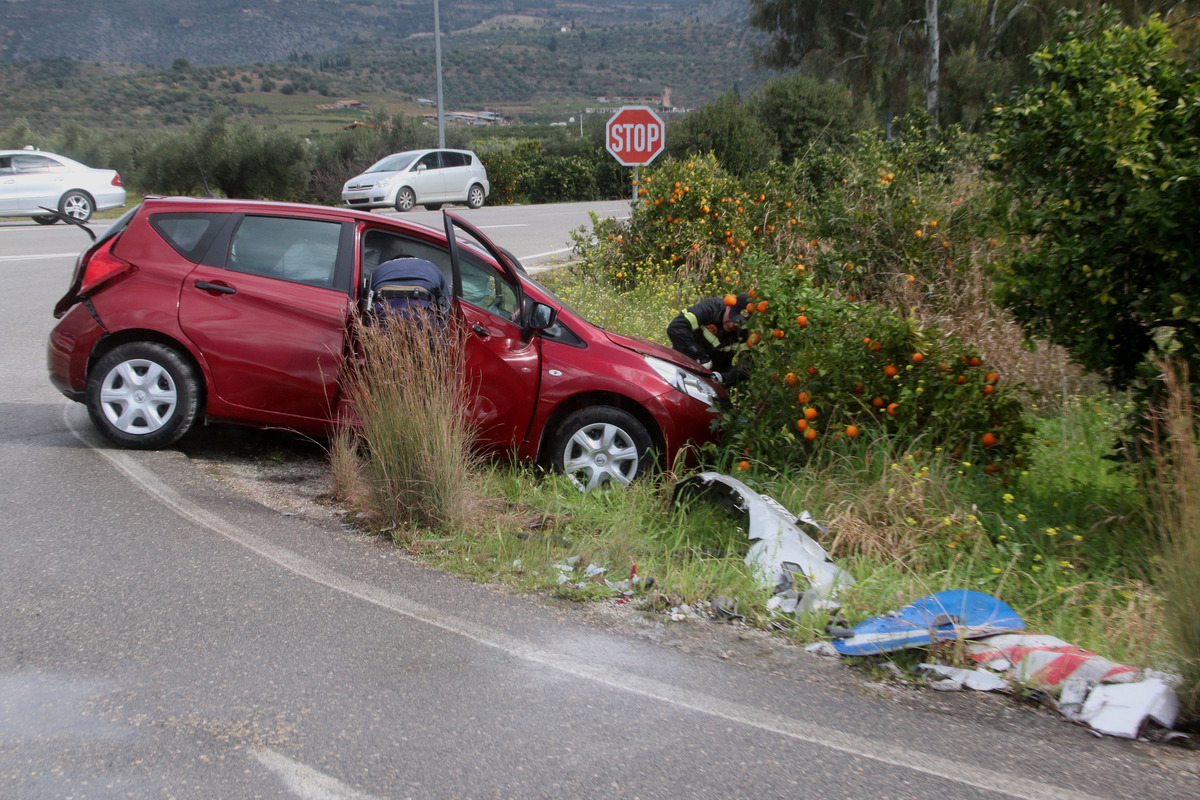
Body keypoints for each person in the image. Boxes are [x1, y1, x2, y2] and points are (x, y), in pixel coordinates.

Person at [667, 294, 752, 386]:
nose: (731, 325)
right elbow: (676, 328)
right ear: (728, 307)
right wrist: (700, 355)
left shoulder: (745, 333)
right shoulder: (710, 308)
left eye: (737, 324)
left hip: (711, 381)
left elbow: (747, 364)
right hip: (681, 363)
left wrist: (724, 378)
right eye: (731, 318)